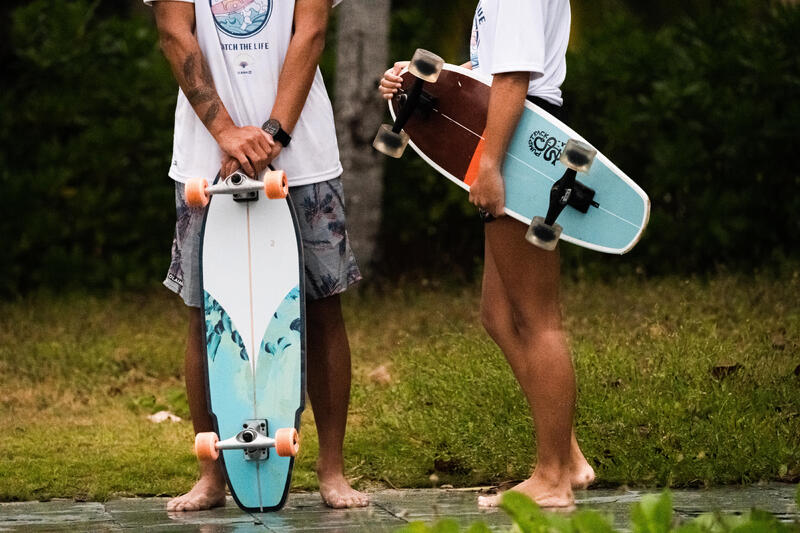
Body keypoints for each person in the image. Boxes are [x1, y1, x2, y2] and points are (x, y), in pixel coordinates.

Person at [147, 0, 368, 511]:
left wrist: (271, 134)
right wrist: (225, 131)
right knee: (206, 317)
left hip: (303, 157)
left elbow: (310, 32)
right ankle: (212, 475)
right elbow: (174, 33)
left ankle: (332, 469)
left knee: (321, 309)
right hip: (205, 163)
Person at [379, 0, 594, 509]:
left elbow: (516, 78)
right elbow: (489, 72)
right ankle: (569, 459)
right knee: (497, 315)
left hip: (522, 142)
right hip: (507, 132)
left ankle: (553, 478)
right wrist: (416, 79)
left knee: (537, 318)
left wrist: (492, 163)